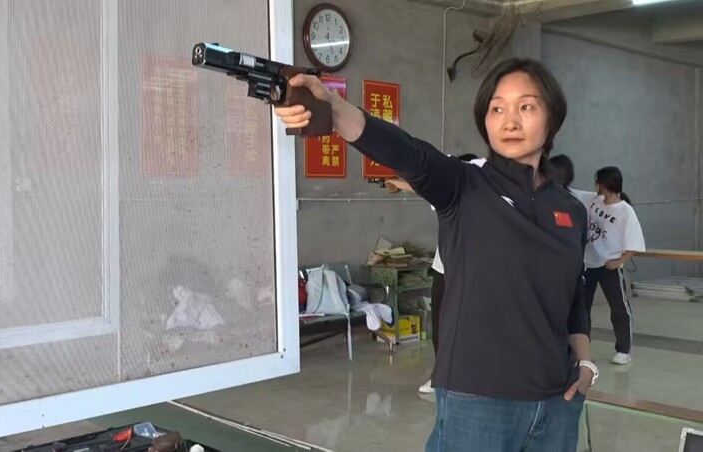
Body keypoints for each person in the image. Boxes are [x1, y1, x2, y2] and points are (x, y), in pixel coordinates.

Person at [274, 58, 596, 452]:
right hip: (478, 402)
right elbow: (409, 154)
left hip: (558, 403)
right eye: (497, 109)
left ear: (553, 118)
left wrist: (585, 364)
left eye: (526, 106)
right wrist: (335, 108)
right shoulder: (464, 185)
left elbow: (574, 296)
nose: (510, 121)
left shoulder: (571, 209)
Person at [385, 153, 479, 395]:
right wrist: (398, 183)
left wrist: (399, 183)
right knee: (440, 324)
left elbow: (424, 186)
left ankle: (469, 375)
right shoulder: (448, 194)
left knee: (469, 326)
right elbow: (424, 187)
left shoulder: (480, 195)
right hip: (444, 269)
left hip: (471, 272)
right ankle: (440, 376)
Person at [571, 167, 645, 365]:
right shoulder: (594, 200)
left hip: (609, 266)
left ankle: (623, 350)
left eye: (597, 182)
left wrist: (618, 262)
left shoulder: (625, 211)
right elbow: (571, 192)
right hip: (588, 264)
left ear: (602, 185)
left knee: (619, 307)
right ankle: (583, 351)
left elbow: (635, 245)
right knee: (582, 308)